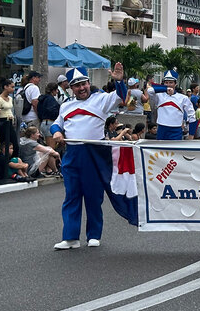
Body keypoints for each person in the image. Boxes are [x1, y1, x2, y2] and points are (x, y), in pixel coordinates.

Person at [50, 64, 138, 250]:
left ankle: (94, 234)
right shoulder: (66, 106)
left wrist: (119, 80)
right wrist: (57, 132)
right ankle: (71, 237)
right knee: (72, 196)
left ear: (89, 83)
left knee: (93, 196)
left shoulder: (101, 100)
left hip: (94, 153)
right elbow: (56, 125)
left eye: (84, 84)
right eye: (76, 85)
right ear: (71, 88)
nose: (81, 88)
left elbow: (121, 97)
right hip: (73, 154)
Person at [148, 70, 194, 140]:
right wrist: (165, 89)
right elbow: (150, 91)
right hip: (162, 129)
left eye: (171, 83)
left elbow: (192, 115)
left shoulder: (183, 98)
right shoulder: (159, 96)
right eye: (166, 82)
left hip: (176, 130)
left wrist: (191, 134)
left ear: (175, 84)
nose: (168, 84)